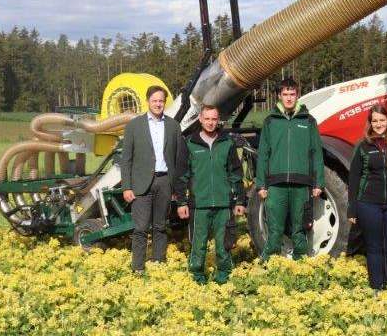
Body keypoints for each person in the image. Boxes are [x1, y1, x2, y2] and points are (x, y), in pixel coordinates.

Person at [174, 105, 246, 284]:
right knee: (198, 246)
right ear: (200, 119)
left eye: (214, 119)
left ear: (218, 120)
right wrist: (181, 202)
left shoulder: (227, 143)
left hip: (223, 204)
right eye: (207, 119)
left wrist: (240, 200)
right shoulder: (189, 143)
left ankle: (224, 279)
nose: (210, 123)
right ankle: (197, 278)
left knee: (224, 246)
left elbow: (236, 173)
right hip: (200, 204)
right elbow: (181, 175)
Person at [256, 78, 324, 261]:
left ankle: (300, 266)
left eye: (292, 94)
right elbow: (263, 154)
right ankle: (270, 265)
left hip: (301, 185)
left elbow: (316, 153)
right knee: (275, 230)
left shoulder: (308, 121)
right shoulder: (270, 121)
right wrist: (261, 185)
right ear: (279, 96)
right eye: (285, 94)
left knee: (299, 229)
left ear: (297, 95)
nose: (288, 98)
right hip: (276, 186)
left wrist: (319, 183)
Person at [119, 85, 185, 274]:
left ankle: (158, 264)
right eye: (155, 100)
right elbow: (126, 159)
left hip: (164, 182)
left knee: (160, 227)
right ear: (147, 101)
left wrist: (176, 187)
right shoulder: (134, 125)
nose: (158, 104)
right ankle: (138, 268)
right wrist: (126, 187)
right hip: (141, 184)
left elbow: (178, 159)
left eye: (161, 101)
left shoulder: (173, 126)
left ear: (165, 103)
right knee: (140, 228)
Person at [347, 106, 387, 292]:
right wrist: (352, 208)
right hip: (368, 204)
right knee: (374, 247)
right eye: (375, 121)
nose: (378, 124)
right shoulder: (362, 146)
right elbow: (354, 178)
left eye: (382, 120)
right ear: (370, 123)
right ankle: (377, 287)